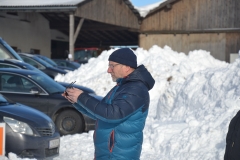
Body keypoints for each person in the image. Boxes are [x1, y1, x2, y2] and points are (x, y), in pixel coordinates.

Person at [62, 48, 155, 160]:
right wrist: (76, 101)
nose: (108, 70)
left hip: (119, 156)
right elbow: (100, 113)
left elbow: (112, 114)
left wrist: (82, 97)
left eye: (112, 66)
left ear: (126, 67)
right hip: (108, 154)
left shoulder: (136, 89)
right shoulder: (122, 87)